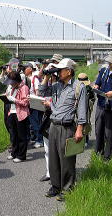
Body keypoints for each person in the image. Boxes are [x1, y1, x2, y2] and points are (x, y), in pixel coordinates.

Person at [39, 58, 87, 201]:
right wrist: (47, 75)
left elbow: (82, 110)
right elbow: (42, 90)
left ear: (69, 71)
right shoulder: (57, 86)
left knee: (66, 159)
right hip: (53, 125)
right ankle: (55, 186)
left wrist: (79, 129)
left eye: (61, 70)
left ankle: (67, 188)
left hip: (67, 127)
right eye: (58, 70)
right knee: (53, 158)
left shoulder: (79, 87)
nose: (58, 72)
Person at [38, 53, 63, 182]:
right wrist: (47, 76)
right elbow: (40, 92)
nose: (53, 65)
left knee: (59, 150)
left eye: (56, 63)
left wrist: (58, 73)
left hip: (60, 120)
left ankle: (60, 173)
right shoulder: (49, 83)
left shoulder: (63, 82)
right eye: (52, 62)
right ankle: (49, 172)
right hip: (47, 118)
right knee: (47, 149)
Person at [4, 71, 30, 162]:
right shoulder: (12, 88)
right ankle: (14, 153)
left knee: (21, 135)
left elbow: (25, 102)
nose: (10, 84)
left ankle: (21, 155)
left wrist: (15, 100)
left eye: (11, 81)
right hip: (11, 112)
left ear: (16, 81)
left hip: (21, 114)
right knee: (13, 134)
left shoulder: (24, 88)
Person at [23, 62, 43, 148]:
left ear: (30, 69)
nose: (24, 70)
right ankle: (34, 138)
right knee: (30, 123)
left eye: (25, 68)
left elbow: (38, 92)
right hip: (28, 103)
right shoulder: (25, 79)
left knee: (35, 122)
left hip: (34, 103)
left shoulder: (35, 78)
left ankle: (40, 140)